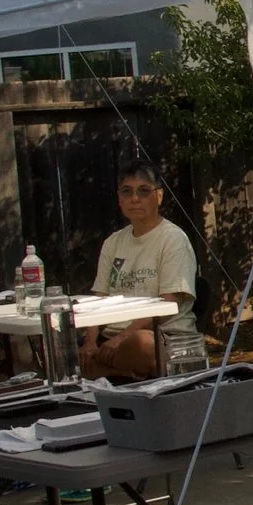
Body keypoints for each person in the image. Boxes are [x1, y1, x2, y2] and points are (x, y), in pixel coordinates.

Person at [80, 161, 202, 380]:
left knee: (143, 345)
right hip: (111, 337)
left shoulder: (173, 239)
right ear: (119, 198)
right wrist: (89, 341)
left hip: (161, 335)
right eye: (127, 192)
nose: (134, 199)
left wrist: (122, 339)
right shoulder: (113, 242)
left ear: (159, 196)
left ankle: (103, 371)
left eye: (144, 191)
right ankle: (119, 371)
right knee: (60, 346)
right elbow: (99, 299)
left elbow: (168, 306)